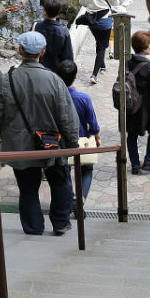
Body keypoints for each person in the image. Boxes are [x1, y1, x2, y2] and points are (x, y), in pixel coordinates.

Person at [0, 31, 80, 236]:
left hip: (20, 145)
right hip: (52, 143)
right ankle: (60, 222)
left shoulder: (7, 80)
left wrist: (2, 131)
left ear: (20, 51)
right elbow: (67, 117)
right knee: (59, 182)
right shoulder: (55, 80)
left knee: (28, 188)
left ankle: (33, 228)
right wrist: (73, 143)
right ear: (42, 53)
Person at [55, 59, 100, 202]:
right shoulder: (84, 98)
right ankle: (80, 199)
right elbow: (93, 124)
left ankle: (68, 198)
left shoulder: (54, 99)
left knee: (64, 171)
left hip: (60, 143)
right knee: (87, 170)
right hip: (82, 143)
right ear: (75, 76)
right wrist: (97, 139)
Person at [125, 30, 150, 175]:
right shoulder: (149, 67)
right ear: (145, 47)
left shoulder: (127, 63)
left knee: (132, 135)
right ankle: (148, 162)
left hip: (130, 107)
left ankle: (135, 164)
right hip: (147, 108)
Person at [79, 0, 123, 84]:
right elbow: (116, 2)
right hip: (104, 20)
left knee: (99, 43)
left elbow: (82, 1)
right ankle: (94, 75)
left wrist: (91, 4)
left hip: (91, 20)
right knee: (103, 47)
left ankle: (103, 66)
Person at [34, 0, 73, 71]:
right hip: (56, 72)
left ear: (44, 12)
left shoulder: (37, 27)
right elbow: (68, 58)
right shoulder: (64, 32)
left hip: (38, 69)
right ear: (58, 12)